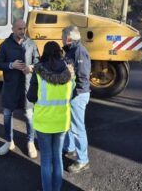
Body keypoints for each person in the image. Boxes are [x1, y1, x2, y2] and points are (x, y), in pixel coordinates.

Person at [27, 41, 74, 191]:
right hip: (61, 122)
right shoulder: (68, 72)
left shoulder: (38, 72)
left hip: (43, 123)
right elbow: (71, 94)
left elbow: (31, 97)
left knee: (46, 160)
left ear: (45, 53)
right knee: (57, 157)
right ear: (59, 52)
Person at [0, 19, 40, 158]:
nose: (22, 31)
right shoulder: (5, 45)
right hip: (10, 87)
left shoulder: (31, 44)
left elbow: (39, 62)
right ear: (13, 29)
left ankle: (30, 142)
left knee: (29, 116)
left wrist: (31, 68)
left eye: (24, 28)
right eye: (19, 28)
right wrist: (10, 65)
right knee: (8, 115)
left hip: (27, 87)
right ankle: (9, 141)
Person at [62, 25, 91, 173]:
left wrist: (73, 93)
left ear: (68, 38)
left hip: (78, 95)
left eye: (62, 37)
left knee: (78, 128)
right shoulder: (71, 50)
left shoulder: (79, 52)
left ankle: (83, 160)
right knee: (71, 124)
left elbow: (83, 77)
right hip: (73, 94)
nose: (61, 40)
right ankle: (70, 147)